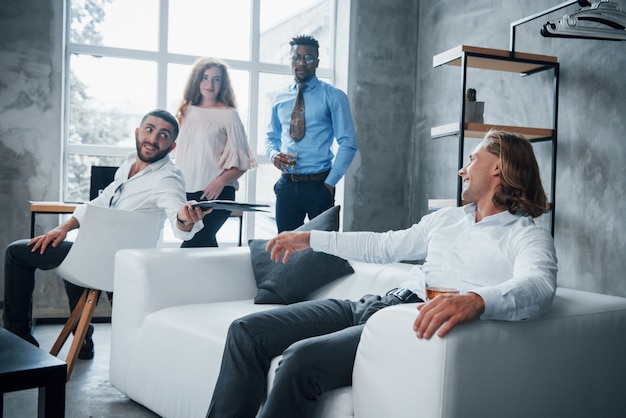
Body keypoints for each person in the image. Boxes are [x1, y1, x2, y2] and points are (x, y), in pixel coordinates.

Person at [206, 130, 558, 418]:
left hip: (405, 324)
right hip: (374, 306)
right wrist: (310, 238)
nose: (463, 170)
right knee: (246, 331)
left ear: (498, 167)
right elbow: (385, 246)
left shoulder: (526, 234)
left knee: (300, 359)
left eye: (472, 160)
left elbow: (538, 286)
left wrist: (477, 300)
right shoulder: (448, 219)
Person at [3, 109, 210, 358]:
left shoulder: (167, 178)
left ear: (172, 145)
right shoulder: (129, 164)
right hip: (99, 256)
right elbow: (100, 201)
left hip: (118, 264)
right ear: (137, 132)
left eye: (163, 135)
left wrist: (184, 219)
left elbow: (177, 216)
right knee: (77, 254)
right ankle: (83, 341)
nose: (153, 139)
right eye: (149, 129)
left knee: (17, 253)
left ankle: (19, 337)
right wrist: (63, 227)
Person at [265, 35, 358, 232]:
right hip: (287, 186)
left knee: (322, 253)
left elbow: (348, 142)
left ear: (317, 62)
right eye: (296, 57)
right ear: (290, 60)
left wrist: (330, 184)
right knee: (286, 252)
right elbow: (270, 137)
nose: (301, 63)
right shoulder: (279, 98)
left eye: (308, 57)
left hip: (319, 186)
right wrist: (273, 155)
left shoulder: (333, 96)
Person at [175, 57, 256, 248]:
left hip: (216, 196)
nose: (210, 83)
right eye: (205, 77)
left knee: (191, 248)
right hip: (186, 194)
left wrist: (220, 181)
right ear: (197, 80)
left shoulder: (229, 115)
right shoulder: (186, 110)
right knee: (205, 249)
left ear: (223, 84)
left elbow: (243, 162)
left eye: (216, 79)